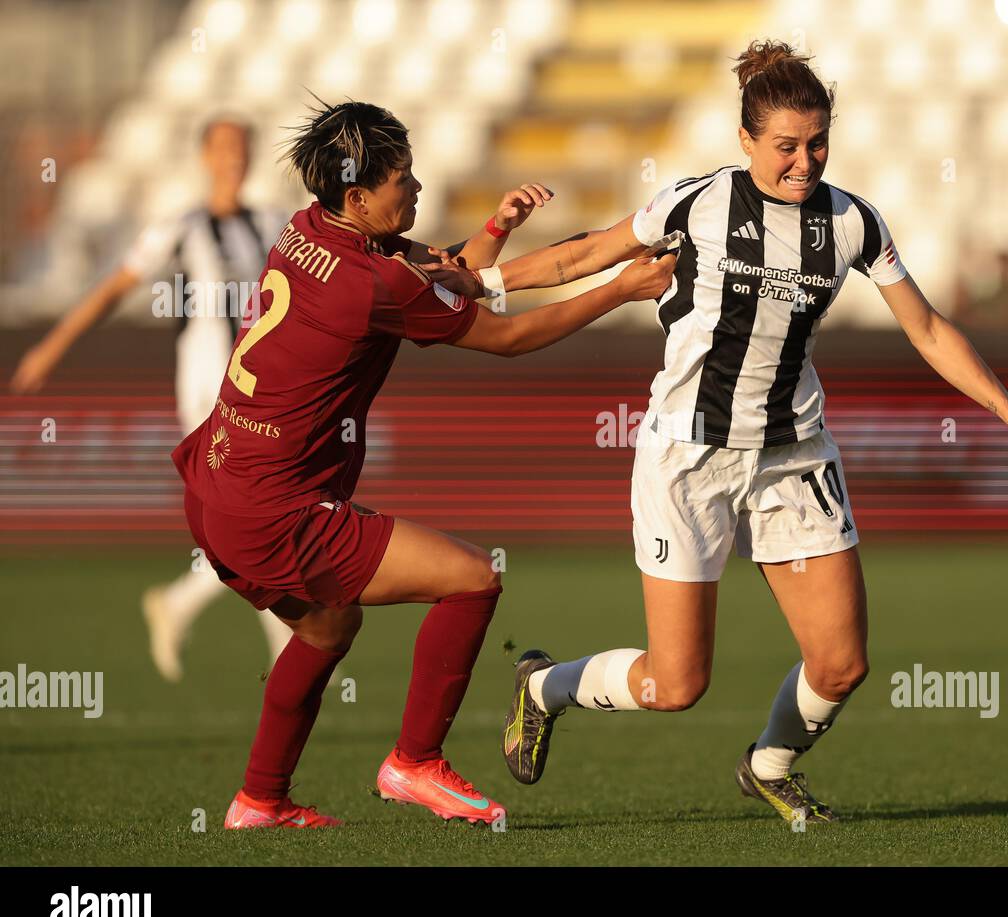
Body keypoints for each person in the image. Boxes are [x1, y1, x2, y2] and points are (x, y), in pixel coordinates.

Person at [492, 40, 1008, 823]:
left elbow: (929, 329)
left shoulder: (851, 221)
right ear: (746, 141)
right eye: (785, 147)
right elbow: (587, 258)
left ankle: (770, 765)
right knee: (677, 686)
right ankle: (543, 685)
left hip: (793, 456)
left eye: (817, 144)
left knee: (841, 665)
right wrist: (478, 278)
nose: (803, 162)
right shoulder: (696, 202)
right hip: (689, 457)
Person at [169, 99, 675, 828]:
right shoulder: (373, 283)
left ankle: (259, 800)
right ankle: (413, 763)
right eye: (402, 179)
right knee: (473, 579)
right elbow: (508, 338)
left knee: (324, 629)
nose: (416, 188)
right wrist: (619, 289)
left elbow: (451, 274)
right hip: (276, 510)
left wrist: (498, 228)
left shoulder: (308, 230)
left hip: (216, 486)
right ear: (356, 196)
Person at [10, 117, 296, 682]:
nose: (231, 158)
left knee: (261, 519)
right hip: (206, 390)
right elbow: (115, 285)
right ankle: (284, 651)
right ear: (205, 156)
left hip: (261, 393)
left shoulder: (271, 224)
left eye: (240, 148)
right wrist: (50, 347)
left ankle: (183, 606)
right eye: (221, 147)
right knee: (261, 514)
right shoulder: (182, 226)